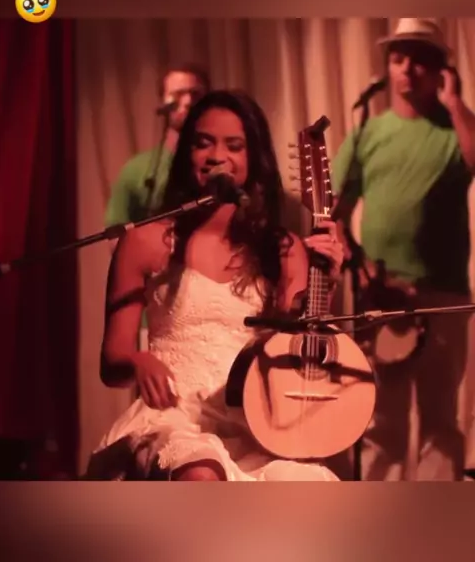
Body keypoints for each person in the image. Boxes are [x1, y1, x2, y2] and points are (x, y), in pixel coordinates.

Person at [87, 89, 344, 481]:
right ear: (186, 153)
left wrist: (328, 280)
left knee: (304, 484)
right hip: (171, 420)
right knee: (202, 472)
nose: (216, 155)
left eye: (234, 146)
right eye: (203, 143)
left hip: (255, 425)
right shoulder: (146, 241)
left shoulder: (282, 249)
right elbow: (112, 363)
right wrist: (139, 361)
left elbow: (298, 355)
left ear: (254, 158)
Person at [331, 18, 475, 481]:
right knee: (382, 421)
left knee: (440, 421)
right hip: (383, 297)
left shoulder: (455, 130)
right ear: (388, 67)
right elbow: (333, 215)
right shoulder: (367, 133)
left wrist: (455, 103)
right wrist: (366, 272)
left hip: (442, 296)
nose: (407, 69)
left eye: (419, 60)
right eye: (398, 58)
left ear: (441, 71)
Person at [105, 62, 211, 227]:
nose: (188, 101)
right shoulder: (136, 169)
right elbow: (115, 232)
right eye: (178, 94)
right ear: (163, 102)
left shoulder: (222, 162)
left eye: (195, 94)